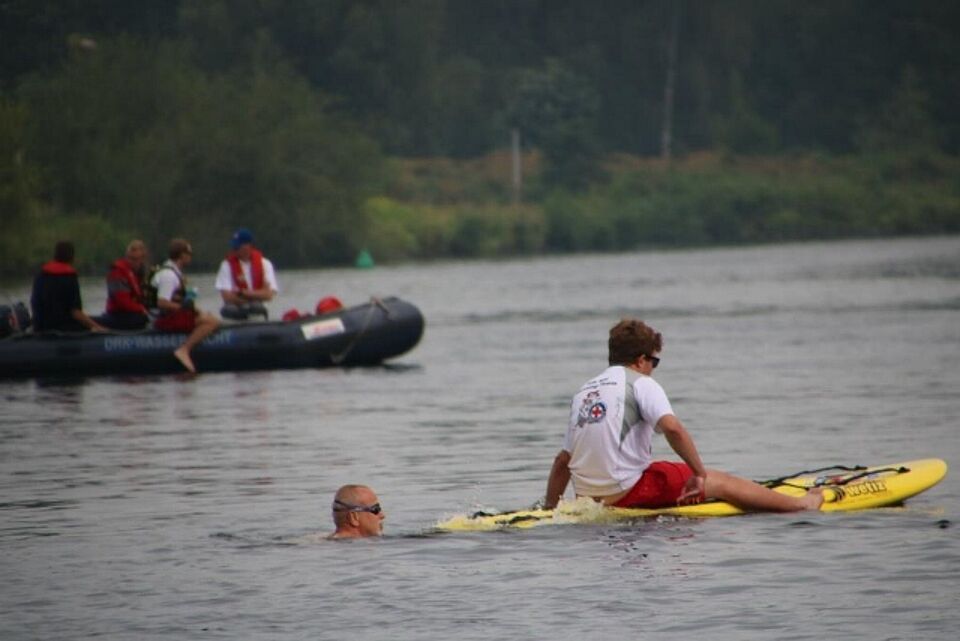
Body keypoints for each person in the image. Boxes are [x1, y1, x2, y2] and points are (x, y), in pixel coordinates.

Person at [544, 319, 824, 512]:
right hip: (626, 493)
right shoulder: (641, 383)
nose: (654, 368)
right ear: (640, 360)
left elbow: (562, 461)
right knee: (720, 482)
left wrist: (549, 511)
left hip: (588, 501)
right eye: (654, 361)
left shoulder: (585, 391)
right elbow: (673, 429)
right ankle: (802, 505)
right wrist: (700, 475)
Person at [151, 238, 220, 373]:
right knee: (212, 322)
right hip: (165, 319)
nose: (190, 258)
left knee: (207, 315)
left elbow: (172, 297)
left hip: (171, 315)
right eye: (189, 255)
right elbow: (162, 302)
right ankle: (184, 350)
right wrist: (184, 308)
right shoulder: (169, 275)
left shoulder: (172, 270)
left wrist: (191, 307)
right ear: (182, 255)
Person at [30, 241, 106, 333]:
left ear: (55, 255)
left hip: (41, 327)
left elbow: (34, 303)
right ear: (72, 257)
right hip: (65, 329)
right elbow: (75, 312)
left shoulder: (41, 274)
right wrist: (98, 327)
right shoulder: (69, 277)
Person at [214, 228, 278, 320]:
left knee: (256, 307)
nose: (234, 249)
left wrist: (243, 293)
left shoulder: (265, 264)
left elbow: (268, 295)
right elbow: (227, 297)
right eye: (234, 246)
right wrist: (256, 295)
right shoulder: (226, 265)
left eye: (237, 246)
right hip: (235, 308)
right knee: (229, 309)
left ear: (248, 246)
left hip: (257, 307)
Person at [98, 239, 150, 330]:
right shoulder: (118, 272)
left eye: (138, 259)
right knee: (141, 319)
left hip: (131, 312)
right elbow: (122, 301)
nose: (134, 262)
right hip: (118, 314)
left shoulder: (138, 273)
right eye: (132, 259)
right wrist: (141, 309)